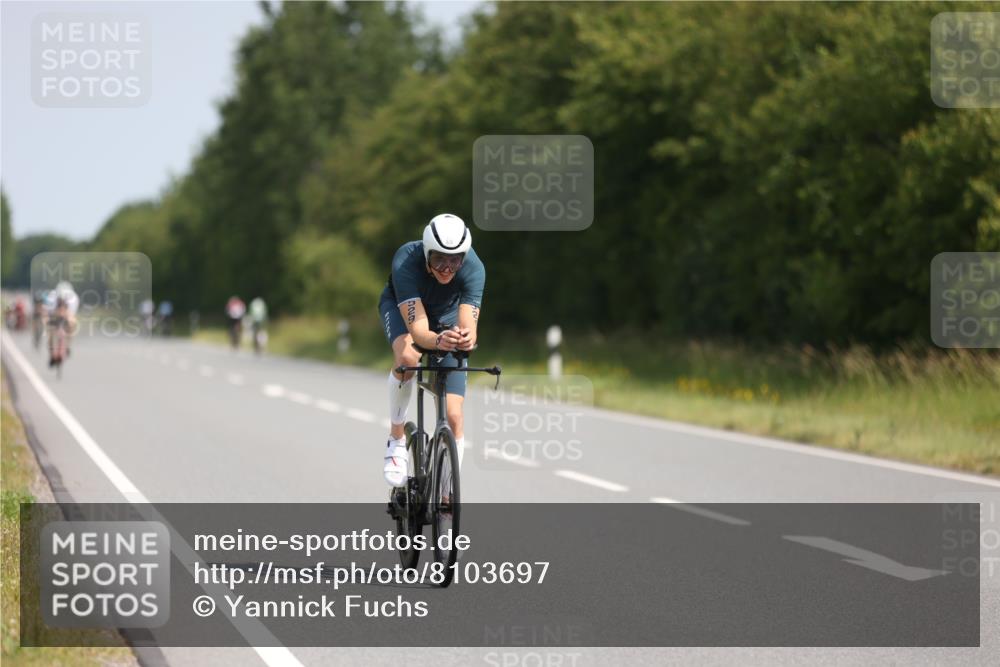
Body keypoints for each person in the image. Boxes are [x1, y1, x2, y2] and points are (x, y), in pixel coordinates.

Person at [378, 214, 485, 487]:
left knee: (454, 415)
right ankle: (397, 440)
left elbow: (469, 325)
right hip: (406, 312)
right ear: (426, 253)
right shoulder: (406, 260)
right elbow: (419, 331)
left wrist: (465, 338)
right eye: (439, 259)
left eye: (454, 260)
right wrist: (438, 341)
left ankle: (448, 490)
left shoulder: (474, 268)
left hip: (446, 318)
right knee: (407, 357)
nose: (447, 268)